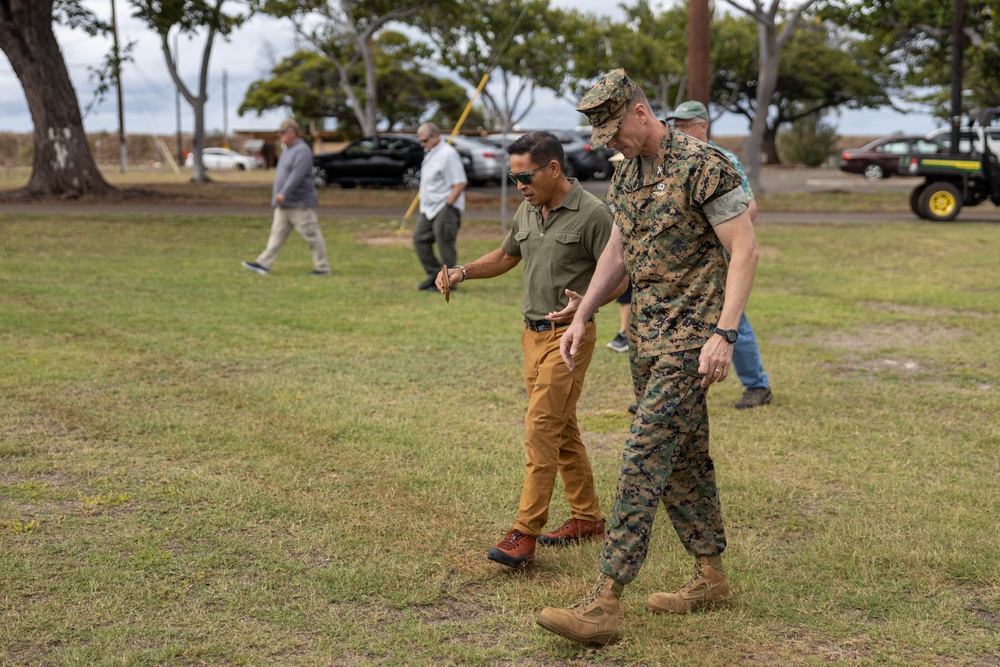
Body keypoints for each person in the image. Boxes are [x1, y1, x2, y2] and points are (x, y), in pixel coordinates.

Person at [535, 69, 759, 646]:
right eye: (601, 133)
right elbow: (619, 250)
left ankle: (604, 601)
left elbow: (744, 250)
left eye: (616, 128)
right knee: (684, 457)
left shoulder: (706, 164)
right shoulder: (629, 175)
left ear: (640, 112)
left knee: (643, 455)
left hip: (692, 341)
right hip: (647, 340)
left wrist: (724, 333)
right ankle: (711, 576)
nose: (611, 140)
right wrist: (584, 313)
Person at [435, 132, 623, 568]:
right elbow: (506, 257)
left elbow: (620, 276)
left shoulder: (594, 215)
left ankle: (525, 532)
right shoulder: (528, 209)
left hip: (570, 338)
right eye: (513, 177)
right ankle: (587, 518)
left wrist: (585, 308)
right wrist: (462, 271)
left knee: (541, 427)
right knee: (562, 428)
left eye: (525, 176)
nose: (518, 185)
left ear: (553, 169)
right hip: (531, 336)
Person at [666, 100, 773, 409]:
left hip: (718, 257)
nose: (681, 131)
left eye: (687, 125)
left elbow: (749, 207)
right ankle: (668, 391)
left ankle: (757, 385)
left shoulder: (723, 159)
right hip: (682, 260)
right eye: (678, 125)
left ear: (704, 125)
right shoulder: (673, 160)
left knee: (733, 318)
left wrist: (715, 229)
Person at [242, 119, 330, 276]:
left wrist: (284, 193)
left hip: (299, 203)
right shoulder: (287, 149)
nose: (279, 135)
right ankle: (263, 264)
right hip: (284, 204)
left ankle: (322, 268)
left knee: (312, 235)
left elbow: (296, 175)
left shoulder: (302, 150)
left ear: (292, 133)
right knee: (276, 234)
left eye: (282, 132)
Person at [414, 122, 467, 291]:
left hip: (445, 207)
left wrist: (448, 205)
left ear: (435, 136)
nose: (422, 144)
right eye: (420, 141)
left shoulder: (447, 154)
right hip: (428, 209)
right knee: (419, 238)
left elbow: (459, 183)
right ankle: (435, 275)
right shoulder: (430, 153)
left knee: (445, 244)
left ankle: (449, 281)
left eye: (424, 140)